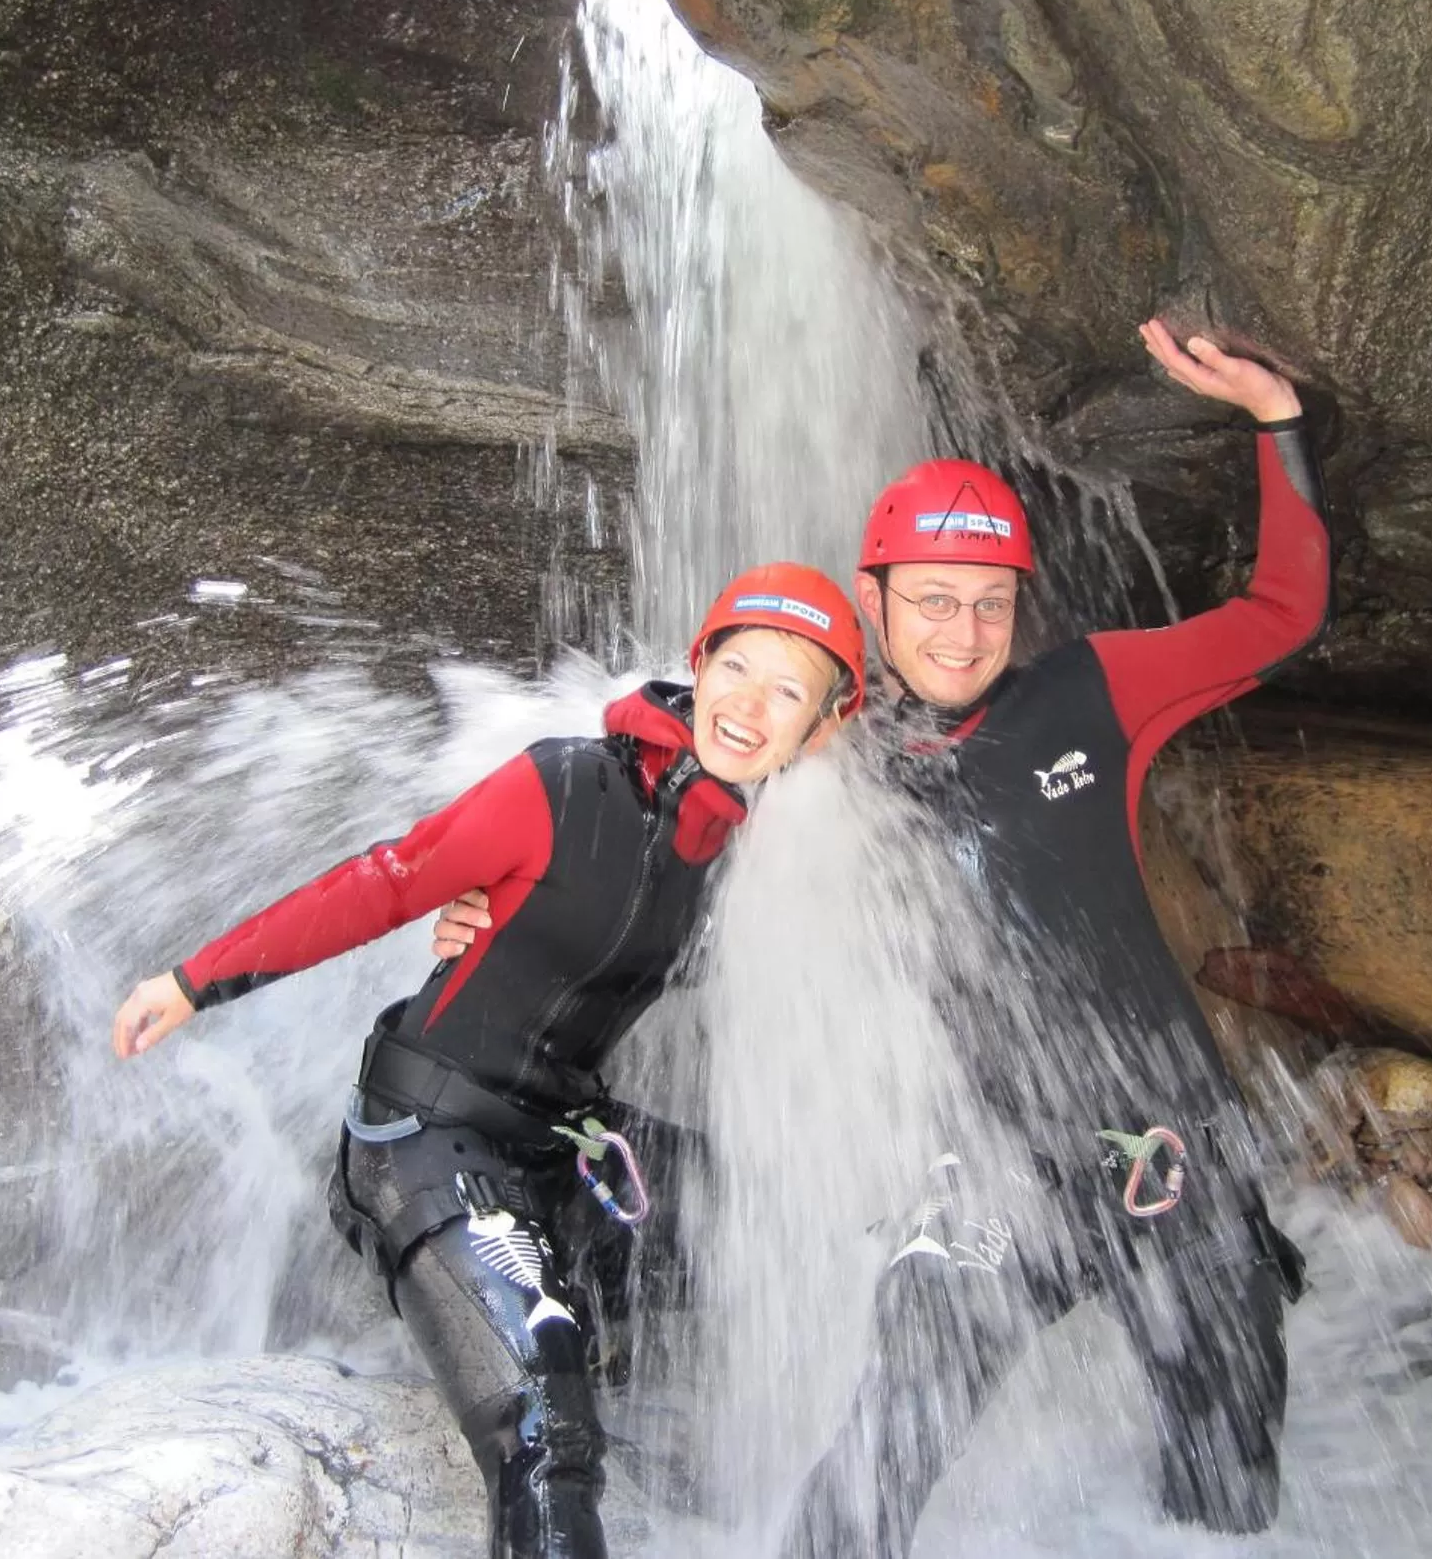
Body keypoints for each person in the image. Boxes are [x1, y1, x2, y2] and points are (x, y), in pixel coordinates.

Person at [432, 319, 1329, 1548]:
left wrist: (1275, 420)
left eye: (987, 602)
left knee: (1225, 1482)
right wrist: (492, 897)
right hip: (1002, 1169)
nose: (960, 632)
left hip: (1179, 1145)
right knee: (880, 1452)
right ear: (873, 600)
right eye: (931, 602)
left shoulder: (1093, 694)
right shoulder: (822, 758)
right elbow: (630, 823)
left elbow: (1281, 612)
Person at [109, 562, 866, 1559]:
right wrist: (193, 980)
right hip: (428, 1134)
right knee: (547, 1430)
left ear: (820, 729)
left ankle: (580, 1328)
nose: (748, 704)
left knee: (766, 1215)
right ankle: (543, 1361)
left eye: (787, 691)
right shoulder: (562, 783)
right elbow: (385, 881)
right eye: (737, 666)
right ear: (698, 663)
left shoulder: (734, 850)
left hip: (556, 1144)